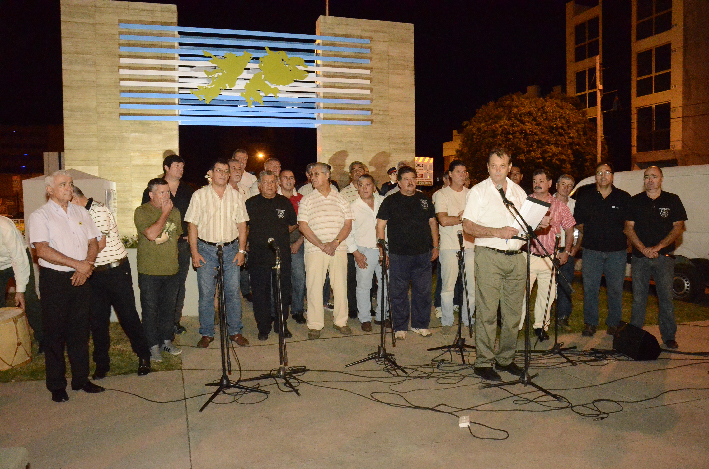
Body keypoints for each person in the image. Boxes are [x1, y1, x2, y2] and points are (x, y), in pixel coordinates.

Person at [29, 170, 104, 402]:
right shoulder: (40, 216)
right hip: (56, 280)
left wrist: (87, 265)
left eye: (70, 184)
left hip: (82, 278)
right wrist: (77, 265)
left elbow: (94, 242)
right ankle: (57, 385)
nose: (69, 188)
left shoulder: (81, 212)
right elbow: (42, 250)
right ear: (49, 190)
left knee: (80, 333)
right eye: (63, 184)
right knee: (55, 334)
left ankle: (81, 379)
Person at [462, 148, 527, 382]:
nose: (498, 171)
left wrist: (541, 223)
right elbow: (468, 226)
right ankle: (483, 362)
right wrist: (496, 232)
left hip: (517, 258)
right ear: (487, 167)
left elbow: (524, 223)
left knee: (512, 315)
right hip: (489, 255)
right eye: (493, 166)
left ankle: (506, 359)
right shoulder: (479, 192)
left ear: (510, 167)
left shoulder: (519, 192)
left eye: (502, 166)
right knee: (488, 312)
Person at [72, 186, 151, 378]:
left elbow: (99, 244)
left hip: (115, 271)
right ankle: (102, 364)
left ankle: (144, 355)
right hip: (94, 274)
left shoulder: (98, 210)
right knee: (98, 320)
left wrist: (82, 265)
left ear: (74, 198)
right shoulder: (77, 214)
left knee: (128, 316)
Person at [185, 159, 250, 347]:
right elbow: (192, 225)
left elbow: (242, 225)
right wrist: (194, 253)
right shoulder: (199, 195)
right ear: (211, 173)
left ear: (229, 175)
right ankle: (206, 333)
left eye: (225, 171)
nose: (222, 173)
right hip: (205, 249)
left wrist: (241, 251)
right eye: (219, 170)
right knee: (206, 293)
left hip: (231, 250)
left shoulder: (236, 196)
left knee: (232, 293)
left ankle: (235, 331)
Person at [624, 166, 686, 349]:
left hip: (664, 258)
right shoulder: (634, 201)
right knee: (638, 298)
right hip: (639, 258)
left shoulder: (672, 200)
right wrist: (643, 249)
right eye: (646, 177)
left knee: (666, 297)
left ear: (661, 179)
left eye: (654, 176)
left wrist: (658, 247)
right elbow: (628, 227)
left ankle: (669, 337)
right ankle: (635, 334)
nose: (650, 180)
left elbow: (678, 227)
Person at [376, 165, 439, 339]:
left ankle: (420, 324)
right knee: (399, 292)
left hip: (423, 254)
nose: (410, 182)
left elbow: (433, 223)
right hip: (398, 255)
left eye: (413, 178)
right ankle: (400, 326)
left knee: (423, 291)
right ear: (399, 182)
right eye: (406, 179)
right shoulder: (390, 200)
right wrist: (383, 252)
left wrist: (436, 246)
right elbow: (380, 226)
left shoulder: (424, 199)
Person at [574, 162, 631, 337]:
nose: (603, 176)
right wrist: (596, 232)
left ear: (612, 176)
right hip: (592, 251)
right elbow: (580, 223)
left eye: (607, 172)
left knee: (615, 289)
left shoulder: (623, 197)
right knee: (591, 289)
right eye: (599, 173)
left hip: (617, 253)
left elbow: (629, 224)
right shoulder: (585, 197)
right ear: (595, 176)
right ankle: (590, 323)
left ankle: (613, 323)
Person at [297, 162, 353, 339]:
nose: (312, 178)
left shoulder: (341, 198)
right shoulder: (307, 199)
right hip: (315, 250)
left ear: (327, 175)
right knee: (314, 286)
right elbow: (303, 226)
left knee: (340, 286)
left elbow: (348, 224)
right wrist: (321, 245)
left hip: (338, 248)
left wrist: (334, 243)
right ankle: (315, 325)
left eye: (316, 174)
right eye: (311, 175)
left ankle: (341, 321)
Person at [519, 169, 575, 342]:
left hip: (549, 258)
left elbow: (569, 230)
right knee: (520, 294)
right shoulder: (525, 202)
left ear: (550, 184)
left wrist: (566, 251)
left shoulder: (560, 206)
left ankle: (541, 327)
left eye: (541, 180)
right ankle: (515, 326)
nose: (537, 184)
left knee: (547, 295)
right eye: (535, 180)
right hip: (527, 256)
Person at [141, 154, 193, 335]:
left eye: (182, 166)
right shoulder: (154, 187)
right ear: (166, 167)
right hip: (159, 244)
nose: (181, 169)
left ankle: (174, 321)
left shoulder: (187, 190)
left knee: (178, 285)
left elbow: (193, 216)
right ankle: (156, 324)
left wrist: (190, 235)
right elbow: (147, 216)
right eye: (177, 166)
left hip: (183, 243)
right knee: (157, 287)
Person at [134, 178, 183, 363]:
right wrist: (164, 214)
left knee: (168, 310)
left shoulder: (175, 212)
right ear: (151, 194)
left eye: (167, 192)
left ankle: (166, 341)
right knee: (150, 310)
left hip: (171, 270)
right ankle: (152, 346)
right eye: (161, 192)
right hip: (149, 271)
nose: (166, 196)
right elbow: (151, 234)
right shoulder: (142, 211)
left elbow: (176, 235)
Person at [245, 171, 297, 340]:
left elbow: (292, 225)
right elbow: (244, 228)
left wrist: (278, 234)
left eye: (273, 182)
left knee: (282, 291)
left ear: (277, 184)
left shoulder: (285, 202)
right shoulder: (250, 203)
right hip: (258, 256)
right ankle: (263, 327)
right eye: (266, 182)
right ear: (259, 185)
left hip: (280, 254)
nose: (270, 185)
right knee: (260, 292)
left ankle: (281, 324)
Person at [435, 160, 475, 335]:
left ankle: (469, 319)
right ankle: (447, 320)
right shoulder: (441, 195)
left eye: (464, 171)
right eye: (458, 171)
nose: (462, 174)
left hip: (471, 245)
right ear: (450, 174)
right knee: (448, 285)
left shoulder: (472, 194)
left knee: (471, 286)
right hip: (449, 246)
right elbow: (443, 220)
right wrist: (462, 218)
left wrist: (463, 218)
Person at [346, 174, 384, 332]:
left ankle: (383, 316)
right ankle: (365, 318)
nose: (364, 188)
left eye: (368, 185)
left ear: (374, 186)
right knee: (363, 286)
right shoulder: (353, 207)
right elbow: (348, 232)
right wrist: (356, 253)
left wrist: (387, 251)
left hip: (383, 249)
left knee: (385, 284)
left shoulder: (383, 202)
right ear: (357, 188)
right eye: (361, 185)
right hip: (363, 250)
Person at [0, 216, 43, 351]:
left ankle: (44, 338)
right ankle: (5, 340)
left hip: (18, 258)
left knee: (29, 298)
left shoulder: (4, 226)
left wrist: (20, 290)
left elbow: (18, 259)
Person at [340, 162, 368, 319]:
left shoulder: (372, 190)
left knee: (366, 277)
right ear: (350, 175)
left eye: (360, 170)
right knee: (351, 277)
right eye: (354, 171)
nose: (357, 172)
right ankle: (352, 307)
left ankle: (365, 306)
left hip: (368, 240)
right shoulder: (345, 193)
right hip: (350, 241)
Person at [553, 174, 581, 329]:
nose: (566, 188)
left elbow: (579, 230)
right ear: (556, 185)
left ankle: (563, 316)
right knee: (548, 286)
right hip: (549, 249)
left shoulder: (576, 205)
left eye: (570, 185)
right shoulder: (547, 202)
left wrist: (573, 250)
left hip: (567, 250)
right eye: (563, 184)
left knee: (565, 284)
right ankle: (543, 319)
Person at [280, 169, 306, 324]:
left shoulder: (302, 199)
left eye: (291, 177)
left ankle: (297, 310)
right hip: (279, 245)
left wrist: (298, 242)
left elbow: (307, 224)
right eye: (285, 178)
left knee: (299, 278)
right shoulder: (274, 198)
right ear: (279, 181)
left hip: (297, 244)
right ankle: (279, 311)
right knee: (280, 279)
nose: (288, 181)